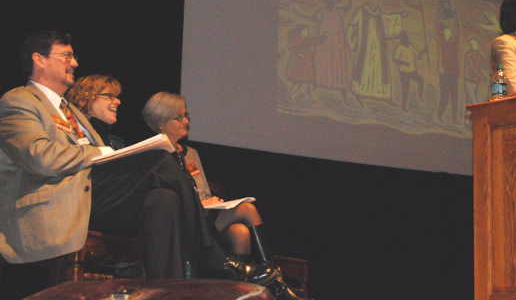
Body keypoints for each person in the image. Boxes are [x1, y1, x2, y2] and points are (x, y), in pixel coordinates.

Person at [66, 76, 266, 284]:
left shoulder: (115, 140)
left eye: (118, 97)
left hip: (127, 207)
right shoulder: (76, 129)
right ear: (86, 98)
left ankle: (169, 287)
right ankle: (208, 254)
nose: (118, 102)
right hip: (90, 202)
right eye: (110, 96)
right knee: (161, 159)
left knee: (164, 198)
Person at [142, 92, 301, 300]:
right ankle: (273, 279)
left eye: (186, 115)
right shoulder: (153, 152)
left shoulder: (191, 154)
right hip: (184, 221)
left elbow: (203, 191)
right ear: (161, 122)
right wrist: (199, 202)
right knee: (247, 209)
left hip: (206, 216)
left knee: (240, 232)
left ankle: (238, 291)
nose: (186, 121)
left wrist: (210, 201)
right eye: (179, 117)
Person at [0, 31, 110, 298]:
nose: (75, 63)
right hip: (54, 204)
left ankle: (175, 282)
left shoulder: (71, 110)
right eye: (67, 56)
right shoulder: (18, 101)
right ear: (40, 60)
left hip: (92, 196)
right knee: (159, 172)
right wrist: (96, 153)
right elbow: (40, 156)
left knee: (161, 197)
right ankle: (210, 258)